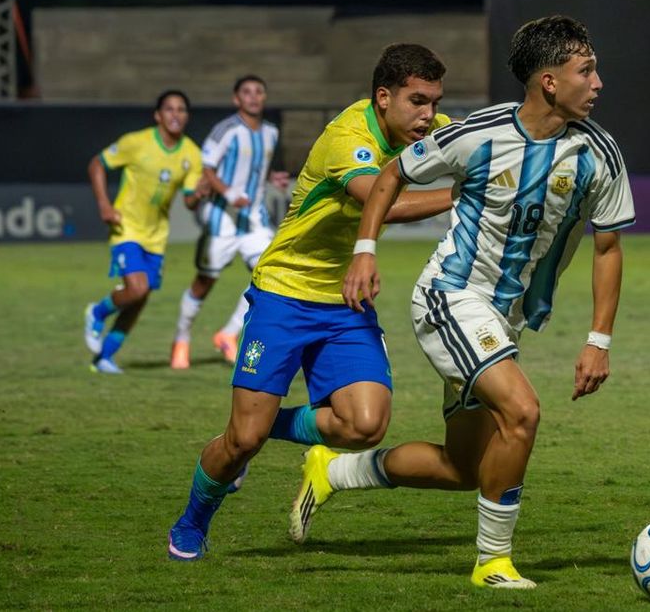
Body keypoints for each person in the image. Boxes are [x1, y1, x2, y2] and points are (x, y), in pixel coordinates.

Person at [300, 15, 636, 590]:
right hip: (450, 298)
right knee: (522, 413)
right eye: (586, 70)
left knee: (464, 468)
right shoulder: (480, 133)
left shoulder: (598, 153)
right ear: (549, 81)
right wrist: (365, 251)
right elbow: (391, 175)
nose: (598, 82)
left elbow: (608, 248)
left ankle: (336, 470)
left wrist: (598, 340)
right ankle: (493, 563)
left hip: (503, 321)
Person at [167, 44, 454, 561]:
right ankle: (192, 521)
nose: (428, 115)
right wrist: (463, 195)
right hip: (284, 294)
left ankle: (264, 427)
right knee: (240, 443)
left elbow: (485, 138)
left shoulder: (426, 127)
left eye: (435, 102)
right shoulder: (349, 138)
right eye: (417, 101)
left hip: (344, 301)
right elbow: (381, 201)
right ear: (383, 97)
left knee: (364, 425)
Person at [83, 90, 204, 374]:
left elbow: (189, 202)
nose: (176, 115)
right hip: (126, 227)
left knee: (139, 298)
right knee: (136, 289)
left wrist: (199, 194)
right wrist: (104, 205)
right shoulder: (136, 142)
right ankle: (97, 312)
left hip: (156, 236)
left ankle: (104, 358)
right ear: (158, 115)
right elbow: (97, 164)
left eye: (181, 110)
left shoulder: (191, 154)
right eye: (170, 109)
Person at [171, 75, 280, 369]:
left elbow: (255, 168)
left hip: (254, 219)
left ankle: (228, 334)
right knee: (205, 281)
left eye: (259, 91)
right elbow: (206, 167)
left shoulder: (271, 132)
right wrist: (229, 192)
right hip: (223, 219)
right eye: (247, 92)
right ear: (236, 99)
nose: (254, 97)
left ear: (264, 97)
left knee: (270, 276)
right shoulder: (227, 130)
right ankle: (181, 338)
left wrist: (274, 179)